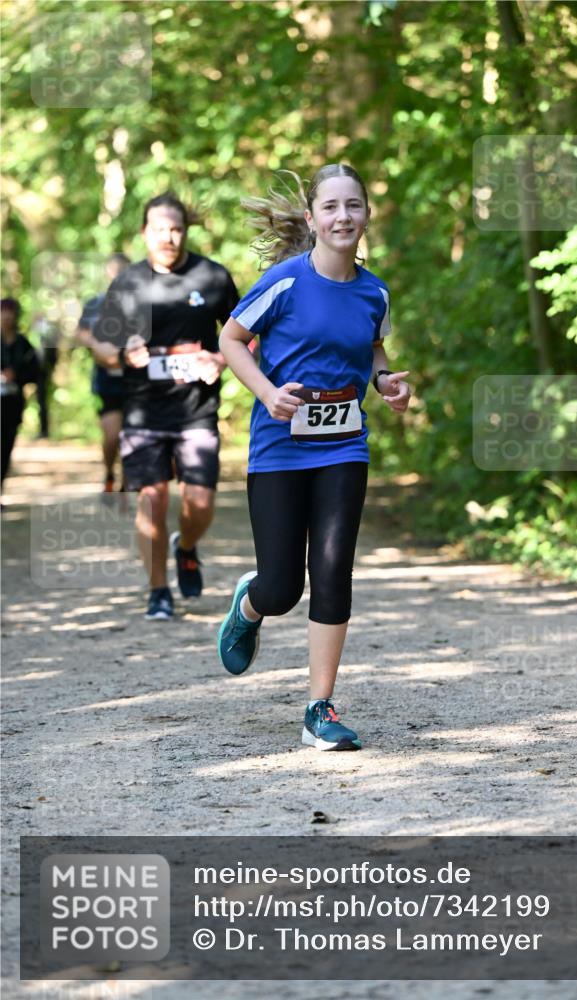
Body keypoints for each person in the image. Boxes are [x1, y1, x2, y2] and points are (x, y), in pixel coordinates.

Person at [217, 164, 410, 751]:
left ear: (366, 215)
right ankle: (251, 603)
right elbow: (231, 341)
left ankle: (318, 708)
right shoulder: (285, 282)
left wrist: (385, 383)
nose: (343, 217)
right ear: (312, 219)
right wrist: (268, 392)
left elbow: (373, 347)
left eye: (353, 206)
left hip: (344, 444)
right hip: (279, 448)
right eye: (331, 207)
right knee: (283, 588)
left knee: (332, 574)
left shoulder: (374, 292)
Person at [93, 194, 239, 620]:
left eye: (175, 229)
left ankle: (187, 546)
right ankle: (158, 590)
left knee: (200, 504)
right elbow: (102, 343)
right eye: (159, 229)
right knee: (152, 501)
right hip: (142, 411)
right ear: (144, 233)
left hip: (196, 411)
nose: (168, 237)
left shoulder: (212, 277)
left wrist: (220, 358)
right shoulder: (128, 283)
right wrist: (123, 350)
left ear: (186, 231)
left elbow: (247, 334)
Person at [76, 253, 130, 493]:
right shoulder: (95, 303)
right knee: (112, 435)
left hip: (135, 381)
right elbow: (81, 333)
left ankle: (128, 485)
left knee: (132, 437)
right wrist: (99, 347)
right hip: (107, 381)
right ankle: (109, 471)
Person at [1, 298, 41, 488]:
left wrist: (16, 376)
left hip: (12, 404)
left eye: (10, 312)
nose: (7, 317)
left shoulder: (23, 345)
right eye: (3, 312)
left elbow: (35, 373)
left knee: (6, 446)